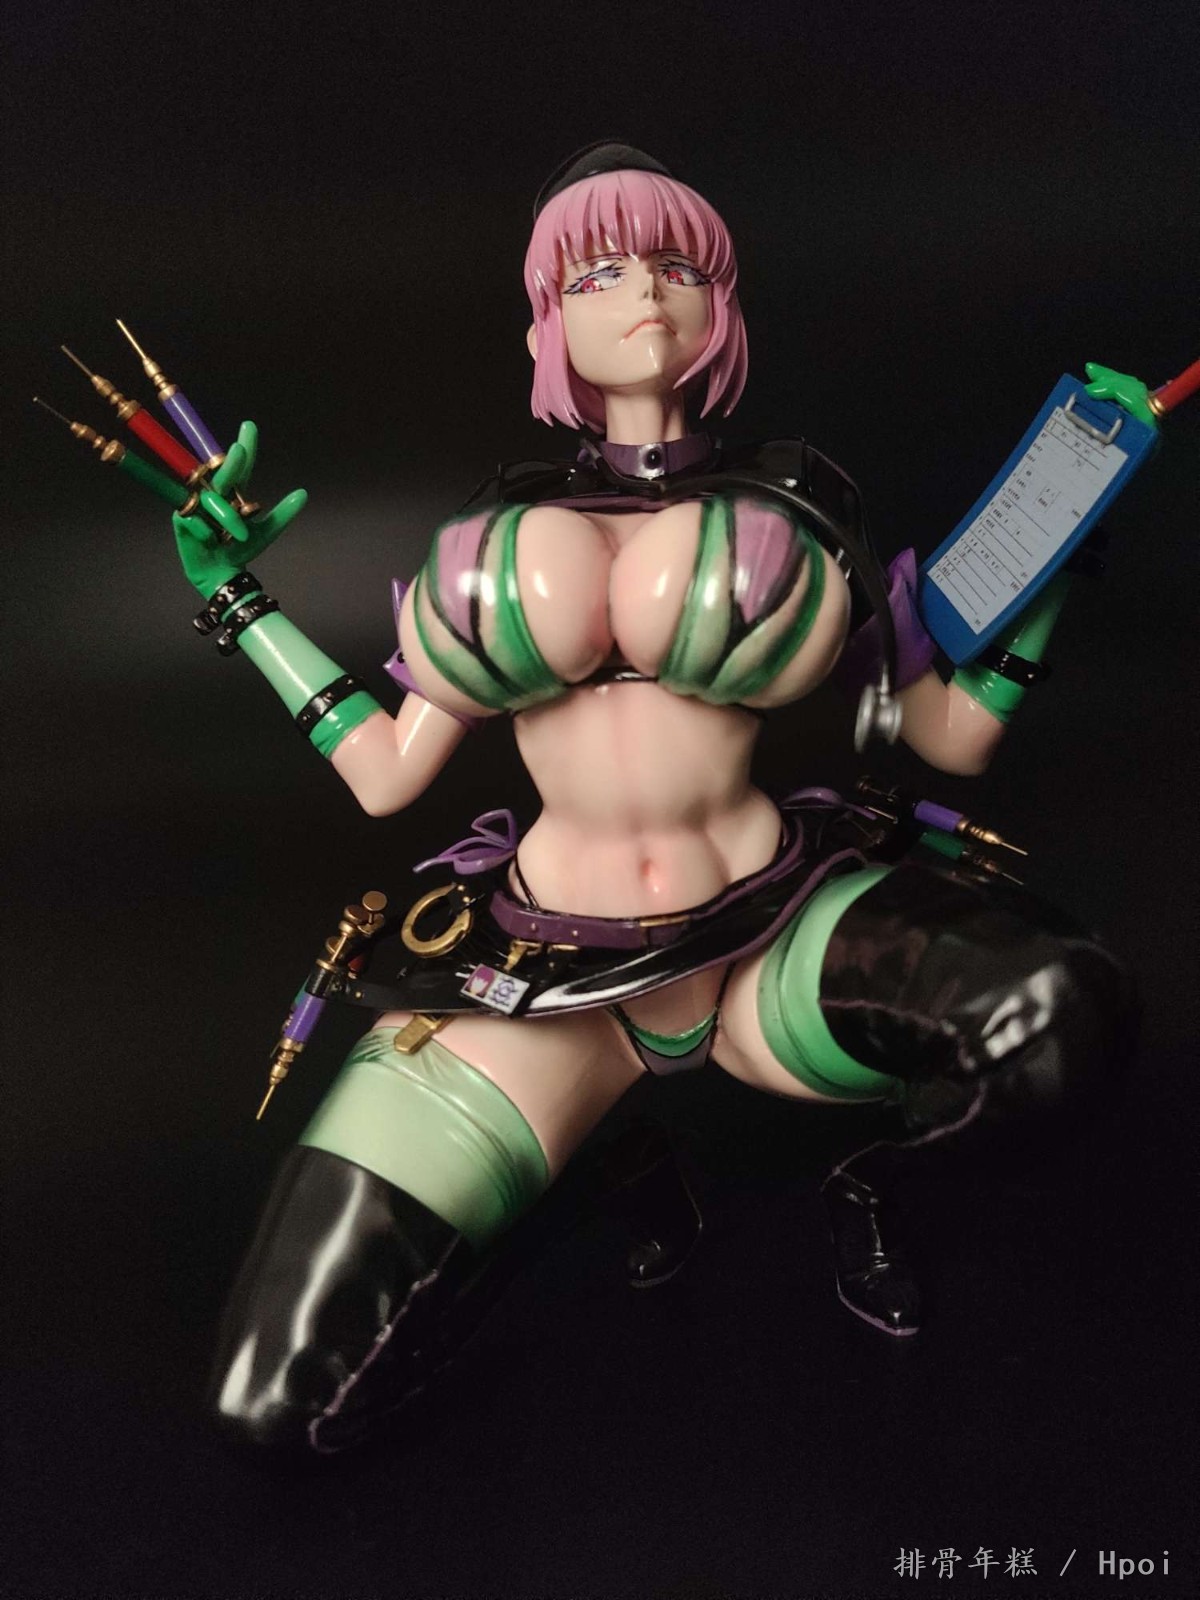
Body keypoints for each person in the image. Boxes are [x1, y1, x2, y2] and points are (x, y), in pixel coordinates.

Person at [175, 145, 1138, 1455]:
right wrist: (238, 601)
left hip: (766, 942)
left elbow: (949, 738)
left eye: (679, 264)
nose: (645, 291)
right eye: (599, 270)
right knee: (278, 1402)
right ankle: (613, 1155)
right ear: (547, 319)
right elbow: (386, 771)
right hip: (541, 983)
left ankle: (873, 1191)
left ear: (718, 303)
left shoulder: (804, 500)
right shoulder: (493, 526)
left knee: (1065, 1008)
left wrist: (1056, 563)